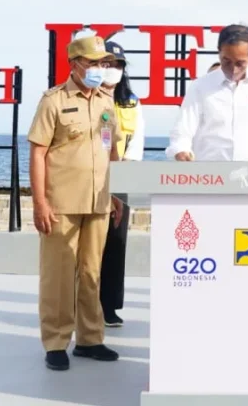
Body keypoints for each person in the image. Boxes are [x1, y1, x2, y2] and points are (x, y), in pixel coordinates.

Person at [28, 34, 126, 371]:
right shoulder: (53, 100)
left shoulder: (105, 102)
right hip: (62, 202)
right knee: (58, 276)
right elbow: (38, 153)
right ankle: (56, 342)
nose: (100, 68)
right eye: (93, 62)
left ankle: (90, 339)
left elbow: (111, 149)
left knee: (91, 272)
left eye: (103, 63)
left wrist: (117, 193)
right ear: (74, 63)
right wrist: (40, 203)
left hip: (99, 200)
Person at [166, 24, 248, 162]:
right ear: (219, 52)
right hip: (209, 171)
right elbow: (183, 129)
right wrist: (181, 150)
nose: (233, 69)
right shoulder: (200, 86)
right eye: (226, 61)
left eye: (240, 63)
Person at [98, 39, 142, 329]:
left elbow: (137, 141)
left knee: (116, 243)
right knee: (88, 246)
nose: (112, 69)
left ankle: (109, 306)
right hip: (90, 176)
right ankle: (82, 305)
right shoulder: (87, 97)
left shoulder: (132, 102)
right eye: (106, 64)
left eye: (117, 65)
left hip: (120, 176)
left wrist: (125, 167)